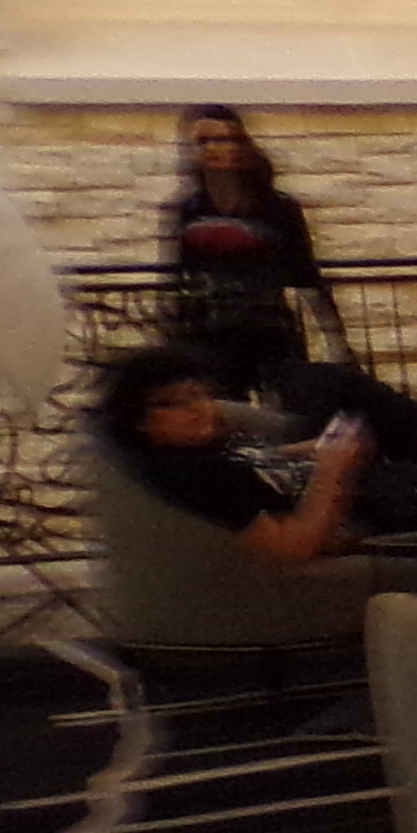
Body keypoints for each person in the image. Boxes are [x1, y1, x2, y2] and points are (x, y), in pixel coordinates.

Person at [93, 343, 374, 563]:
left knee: (329, 384)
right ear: (138, 419)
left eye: (198, 394)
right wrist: (333, 469)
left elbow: (249, 466)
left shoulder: (168, 458)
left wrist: (306, 451)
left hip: (316, 472)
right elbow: (293, 548)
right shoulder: (202, 476)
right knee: (342, 389)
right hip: (364, 503)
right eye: (173, 403)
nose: (197, 408)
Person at [157, 108, 328, 402]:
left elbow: (305, 274)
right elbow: (178, 273)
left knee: (284, 411)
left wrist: (333, 336)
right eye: (203, 141)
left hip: (266, 331)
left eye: (225, 140)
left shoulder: (276, 207)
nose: (213, 149)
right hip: (205, 333)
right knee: (220, 411)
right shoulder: (189, 208)